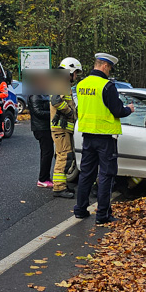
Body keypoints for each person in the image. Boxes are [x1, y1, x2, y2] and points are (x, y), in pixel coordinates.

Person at [73, 53, 134, 224]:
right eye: (110, 68)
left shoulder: (81, 85)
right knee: (106, 175)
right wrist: (128, 109)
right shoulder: (107, 86)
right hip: (105, 138)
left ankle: (80, 210)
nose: (109, 72)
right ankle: (102, 215)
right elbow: (118, 111)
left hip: (87, 136)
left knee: (86, 174)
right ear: (105, 66)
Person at [51, 57, 82, 198]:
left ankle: (61, 184)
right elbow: (56, 101)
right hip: (60, 128)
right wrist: (70, 113)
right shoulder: (61, 82)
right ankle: (58, 188)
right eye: (75, 73)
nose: (75, 76)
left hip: (63, 128)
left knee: (64, 156)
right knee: (64, 156)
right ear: (70, 71)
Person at [28, 93, 54, 187]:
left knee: (48, 153)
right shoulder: (35, 95)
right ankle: (42, 179)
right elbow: (37, 112)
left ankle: (45, 177)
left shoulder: (42, 94)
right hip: (41, 128)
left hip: (45, 127)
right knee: (47, 153)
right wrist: (53, 113)